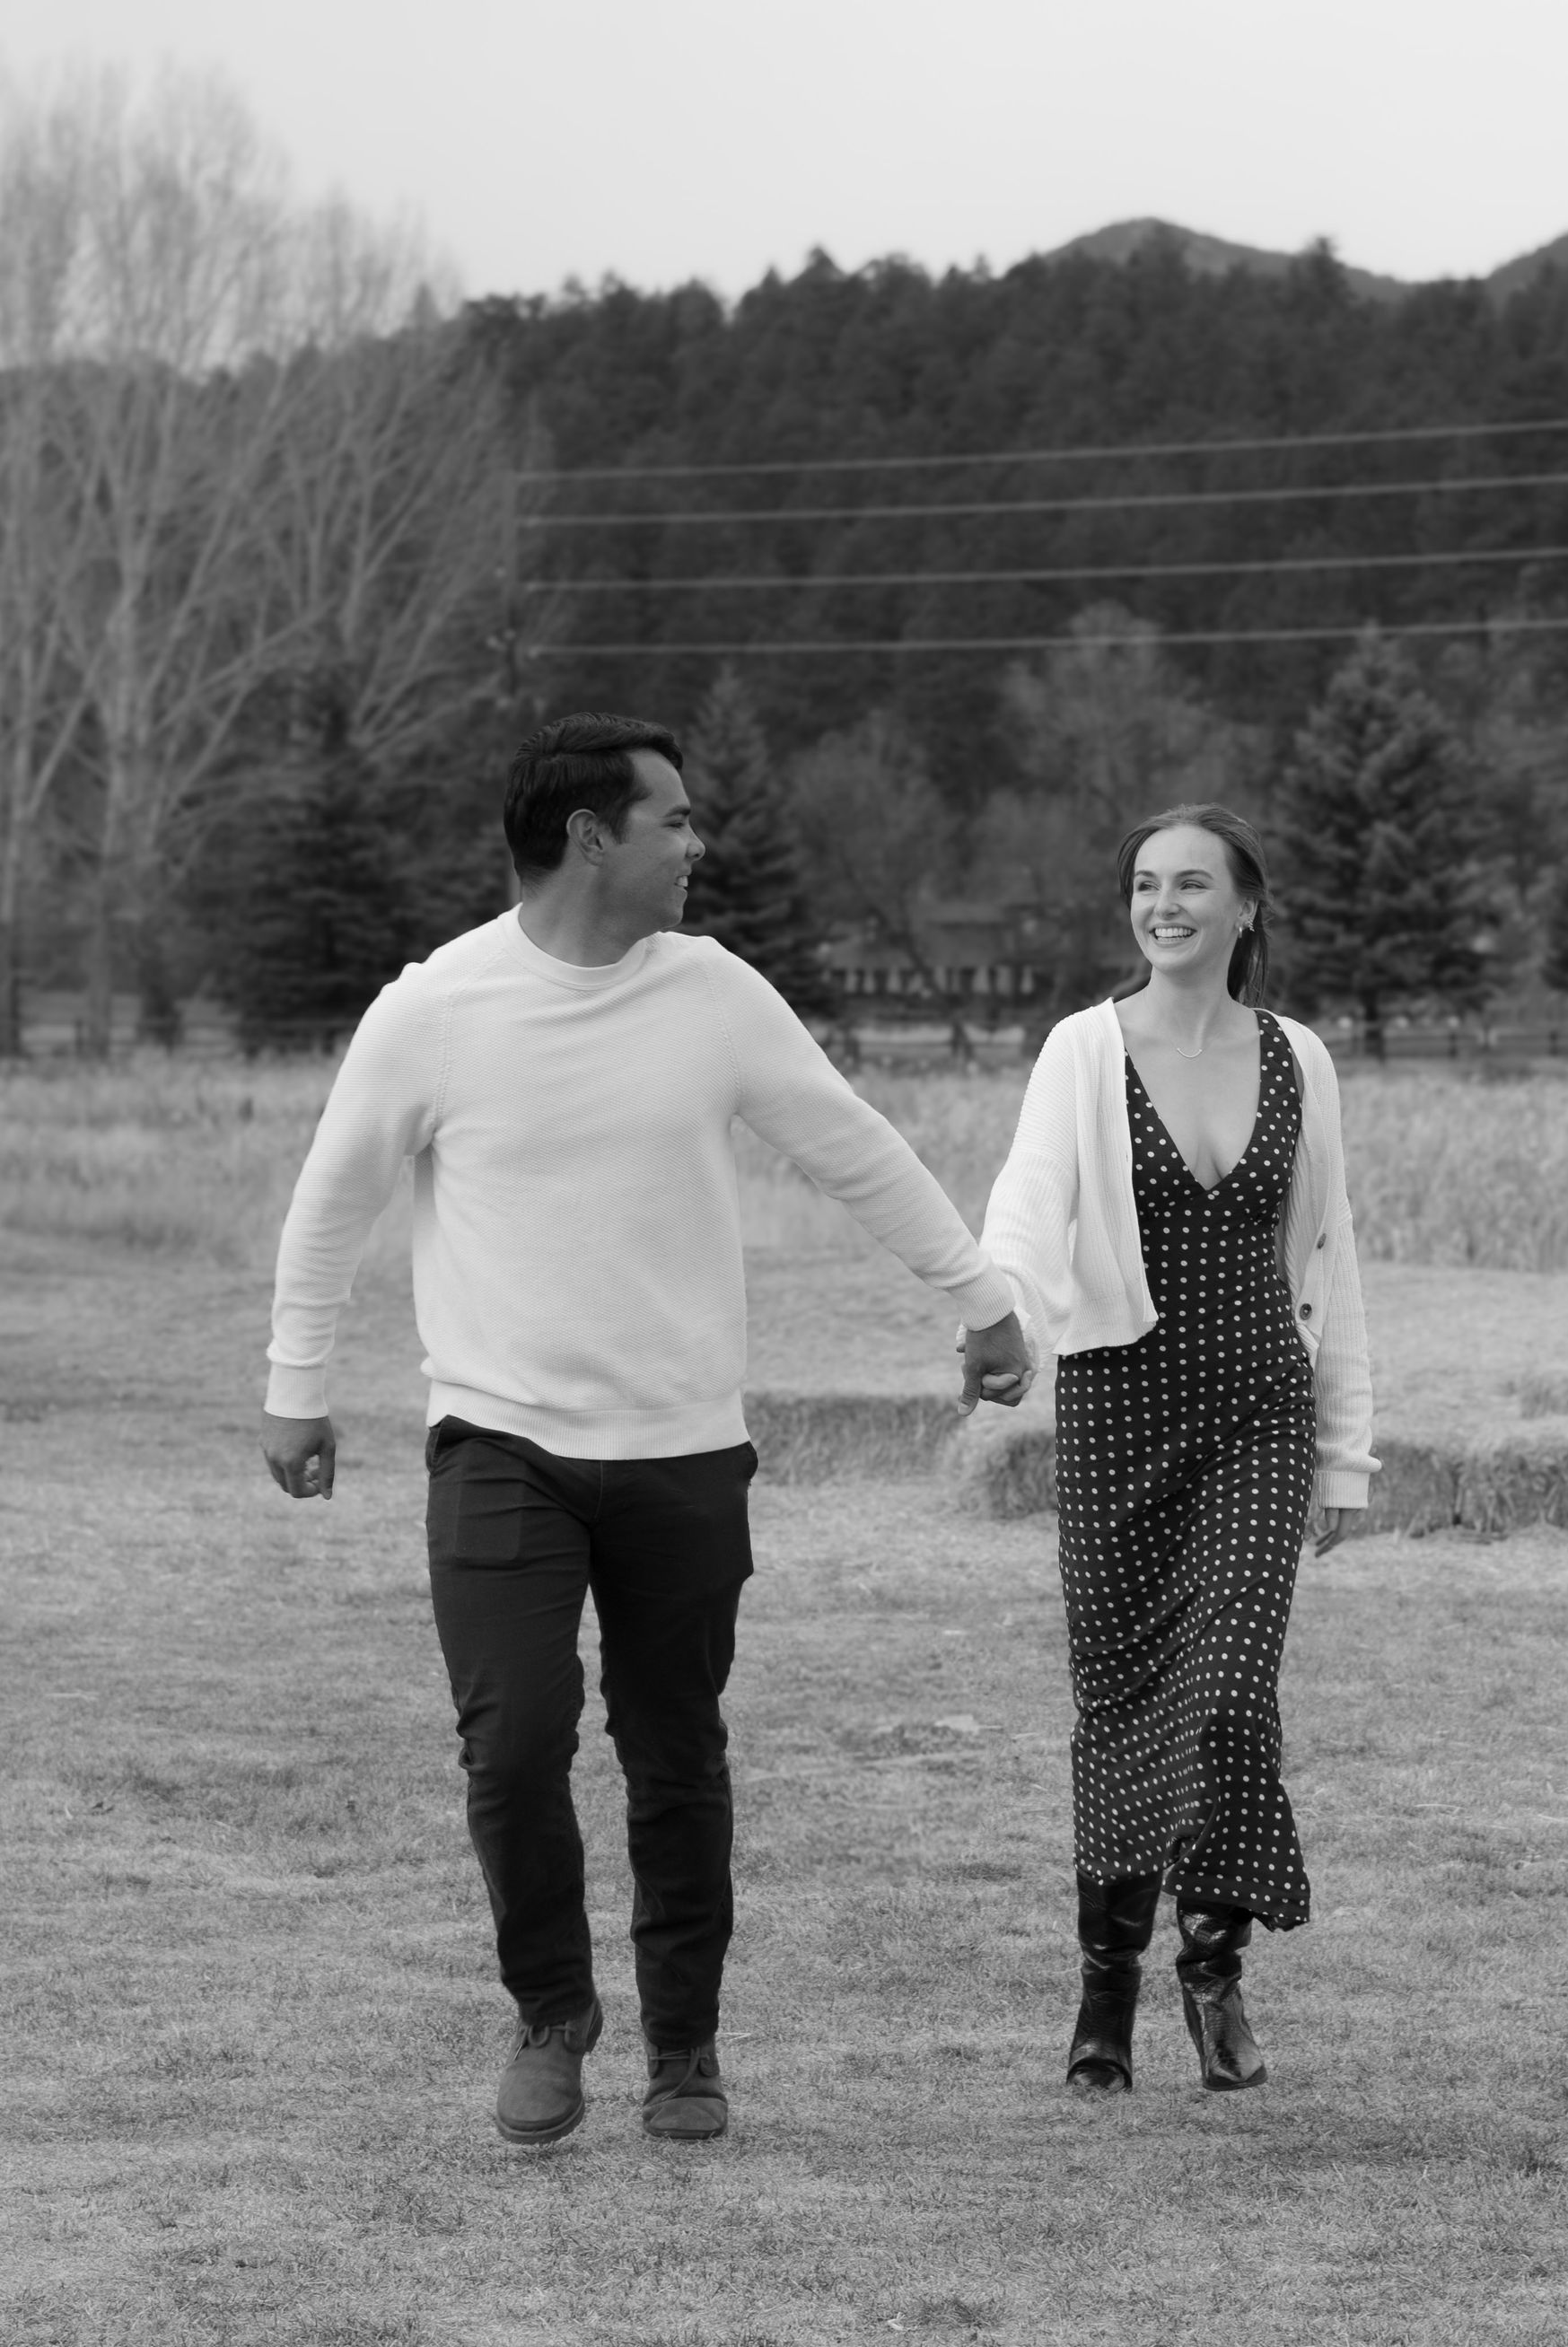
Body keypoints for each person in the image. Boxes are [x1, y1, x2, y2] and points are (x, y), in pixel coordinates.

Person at [259, 712, 1030, 2149]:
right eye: (672, 819)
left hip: (682, 1448)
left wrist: (981, 1297)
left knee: (676, 1753)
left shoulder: (714, 993)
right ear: (589, 838)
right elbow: (331, 1202)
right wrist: (294, 1381)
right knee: (513, 1742)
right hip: (501, 1441)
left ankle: (685, 2048)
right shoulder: (436, 1010)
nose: (696, 843)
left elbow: (850, 1144)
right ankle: (552, 2017)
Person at [971, 802, 1375, 2096]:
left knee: (1232, 1688)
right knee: (1123, 1698)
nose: (1165, 906)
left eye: (1193, 884)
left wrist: (1346, 1455)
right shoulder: (1083, 1050)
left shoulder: (1300, 1057)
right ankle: (1107, 1988)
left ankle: (1213, 1970)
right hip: (1118, 1412)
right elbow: (1029, 1202)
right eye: (1147, 884)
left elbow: (1330, 1254)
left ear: (1246, 905)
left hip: (1260, 1409)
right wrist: (1001, 1311)